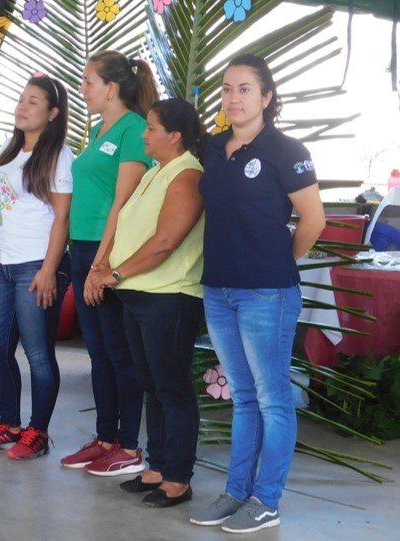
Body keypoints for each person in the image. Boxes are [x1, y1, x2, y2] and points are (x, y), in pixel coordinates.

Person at [190, 54, 324, 534]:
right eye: (227, 89)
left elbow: (314, 220)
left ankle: (267, 501)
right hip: (219, 289)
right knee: (243, 397)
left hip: (267, 291)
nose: (234, 98)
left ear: (266, 96)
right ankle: (236, 493)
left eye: (244, 89)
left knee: (272, 399)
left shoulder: (286, 149)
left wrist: (279, 261)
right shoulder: (213, 147)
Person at [91, 98, 206, 507]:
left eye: (152, 128)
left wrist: (116, 273)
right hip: (140, 295)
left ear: (174, 136)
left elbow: (165, 242)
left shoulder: (187, 174)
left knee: (172, 389)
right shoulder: (157, 172)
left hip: (170, 296)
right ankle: (157, 466)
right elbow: (129, 226)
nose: (144, 134)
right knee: (152, 386)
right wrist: (105, 264)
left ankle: (178, 477)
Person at [61, 51, 157, 476]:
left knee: (120, 352)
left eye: (87, 82)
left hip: (109, 251)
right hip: (82, 249)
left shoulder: (135, 129)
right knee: (97, 351)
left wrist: (101, 264)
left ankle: (130, 447)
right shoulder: (100, 129)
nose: (82, 90)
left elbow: (123, 201)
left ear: (111, 88)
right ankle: (104, 438)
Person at [0, 75, 73, 460]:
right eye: (21, 100)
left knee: (39, 354)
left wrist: (49, 269)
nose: (22, 107)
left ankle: (38, 432)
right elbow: (0, 209)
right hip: (7, 266)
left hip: (36, 267)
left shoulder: (60, 156)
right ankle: (9, 424)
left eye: (33, 102)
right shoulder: (10, 156)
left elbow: (62, 218)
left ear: (52, 113)